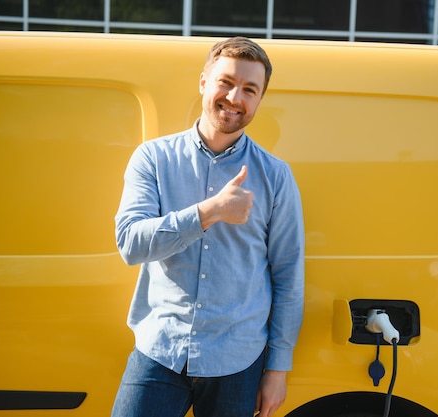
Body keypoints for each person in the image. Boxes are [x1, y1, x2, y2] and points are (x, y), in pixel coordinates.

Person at [111, 37, 305, 417]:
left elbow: (287, 275)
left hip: (239, 358)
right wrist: (207, 213)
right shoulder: (153, 158)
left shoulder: (276, 176)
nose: (235, 97)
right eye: (226, 82)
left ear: (260, 100)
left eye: (250, 89)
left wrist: (278, 369)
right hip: (160, 349)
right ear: (204, 82)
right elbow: (130, 244)